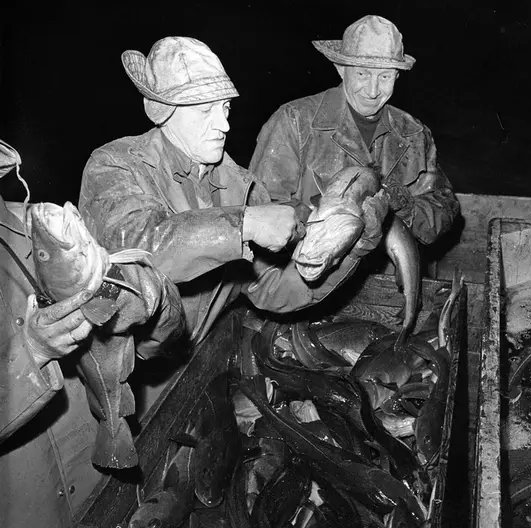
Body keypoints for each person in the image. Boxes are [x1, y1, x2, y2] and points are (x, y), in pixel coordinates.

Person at [78, 36, 388, 343]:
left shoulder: (243, 187)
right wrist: (244, 224)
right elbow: (139, 248)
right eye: (204, 110)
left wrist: (352, 249)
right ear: (162, 110)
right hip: (123, 361)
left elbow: (275, 290)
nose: (224, 125)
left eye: (224, 107)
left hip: (195, 355)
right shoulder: (116, 165)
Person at [0, 139, 187, 528]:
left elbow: (166, 340)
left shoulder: (44, 224)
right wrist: (31, 353)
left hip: (106, 473)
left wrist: (151, 293)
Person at [249, 15, 459, 267]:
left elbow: (444, 206)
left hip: (382, 273)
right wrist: (334, 223)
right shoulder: (295, 121)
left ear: (397, 76)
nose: (372, 90)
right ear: (340, 68)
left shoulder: (413, 133)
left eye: (384, 77)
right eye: (362, 73)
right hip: (305, 267)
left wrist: (407, 207)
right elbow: (262, 205)